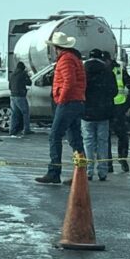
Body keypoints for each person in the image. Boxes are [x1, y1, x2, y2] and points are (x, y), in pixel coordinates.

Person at [34, 32, 86, 184]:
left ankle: (54, 172)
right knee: (75, 138)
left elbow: (68, 82)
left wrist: (61, 100)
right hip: (77, 102)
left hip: (68, 102)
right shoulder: (74, 59)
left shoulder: (65, 60)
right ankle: (80, 173)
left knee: (55, 136)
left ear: (57, 48)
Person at [82, 49, 117, 181]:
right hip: (103, 112)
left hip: (86, 112)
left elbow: (80, 89)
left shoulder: (83, 71)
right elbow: (113, 91)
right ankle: (103, 171)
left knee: (88, 141)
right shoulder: (108, 72)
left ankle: (88, 171)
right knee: (103, 142)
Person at [108, 53, 130, 173]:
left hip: (110, 109)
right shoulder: (119, 70)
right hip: (118, 109)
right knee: (120, 136)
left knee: (106, 137)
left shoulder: (110, 71)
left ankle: (111, 162)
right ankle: (118, 160)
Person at [9, 61, 32, 136]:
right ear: (23, 68)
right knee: (25, 113)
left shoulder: (12, 74)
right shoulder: (23, 74)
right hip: (20, 96)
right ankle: (26, 129)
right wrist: (27, 75)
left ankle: (12, 130)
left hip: (12, 96)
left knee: (14, 114)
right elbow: (29, 83)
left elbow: (9, 86)